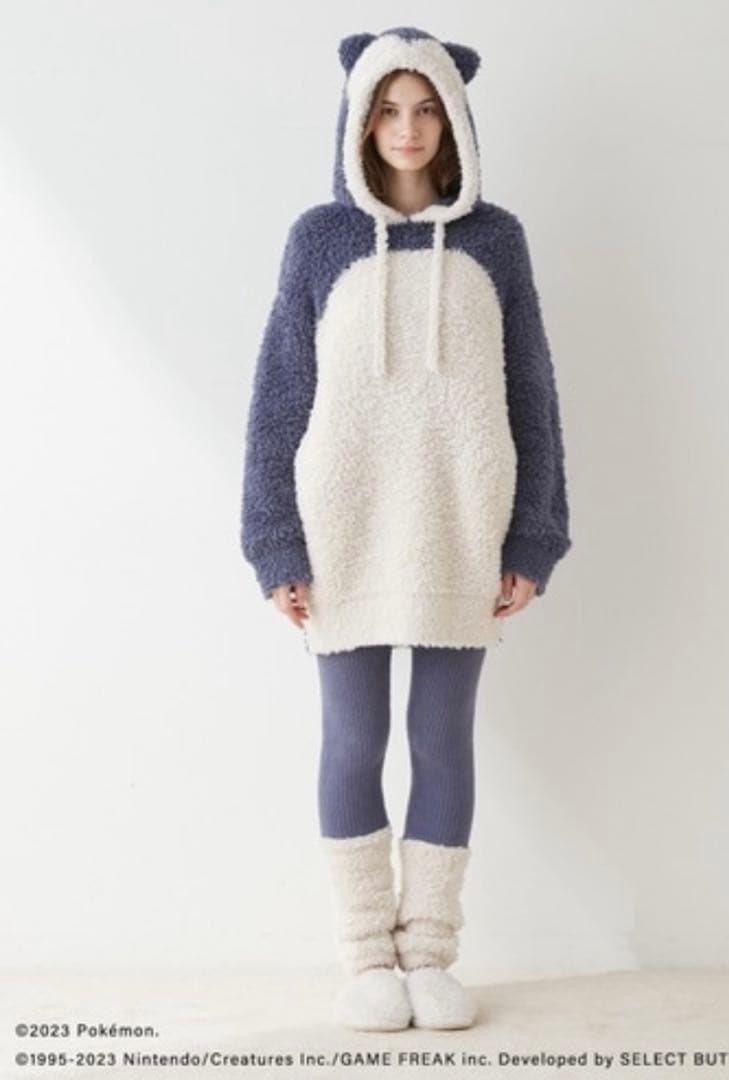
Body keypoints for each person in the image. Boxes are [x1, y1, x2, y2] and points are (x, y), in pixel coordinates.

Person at [240, 25, 572, 1032]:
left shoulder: (495, 241)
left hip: (458, 528)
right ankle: (365, 959)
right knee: (353, 739)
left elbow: (530, 394)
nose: (407, 128)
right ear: (358, 120)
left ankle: (427, 955)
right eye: (387, 109)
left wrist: (531, 538)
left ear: (454, 117)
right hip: (341, 530)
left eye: (425, 108)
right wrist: (275, 543)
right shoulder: (319, 241)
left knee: (440, 741)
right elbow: (278, 398)